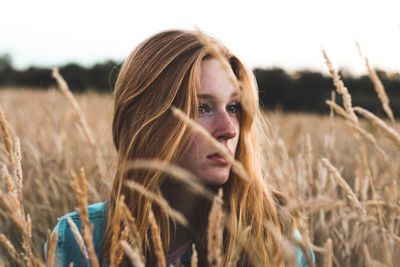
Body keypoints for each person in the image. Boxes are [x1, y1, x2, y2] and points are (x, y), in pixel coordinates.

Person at [51, 29, 315, 266]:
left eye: (233, 107)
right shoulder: (79, 241)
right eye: (202, 108)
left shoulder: (276, 237)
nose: (229, 129)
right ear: (148, 121)